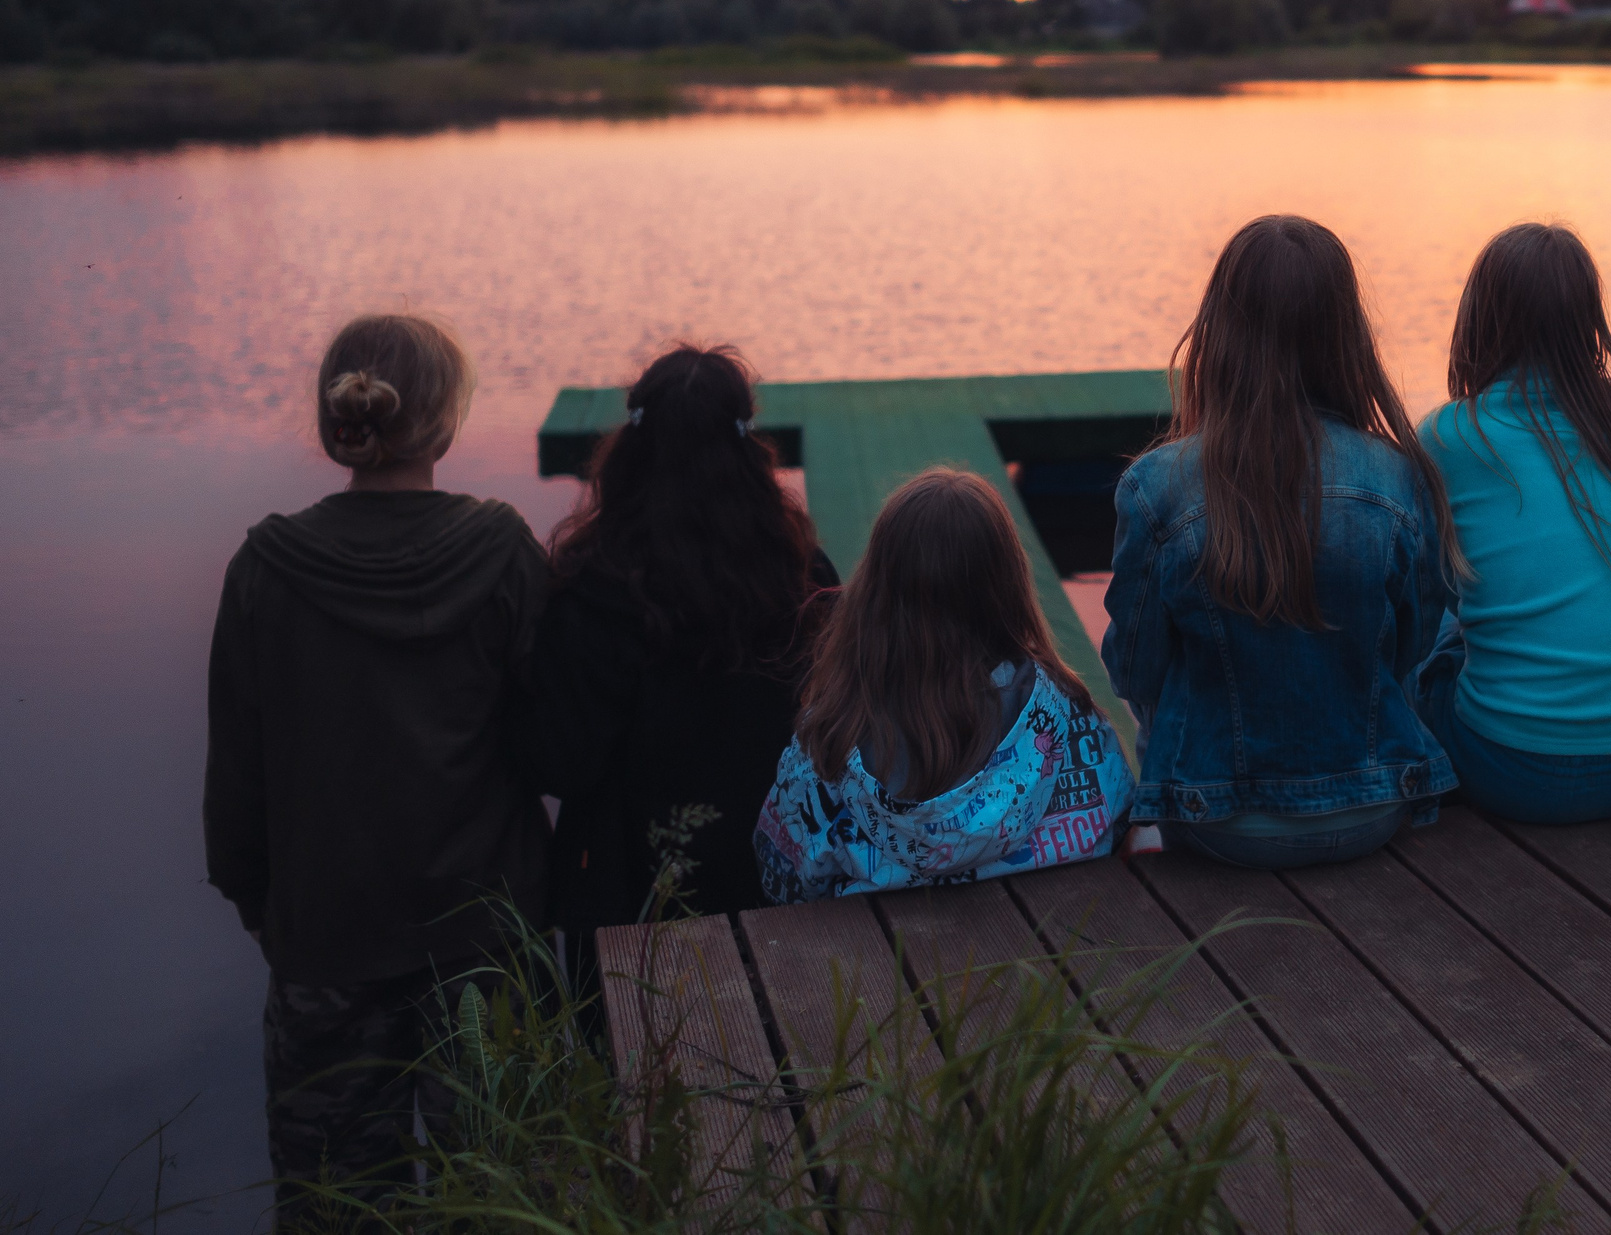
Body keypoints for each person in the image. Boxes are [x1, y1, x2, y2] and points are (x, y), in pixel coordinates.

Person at [203, 314, 548, 1223]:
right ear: (441, 422)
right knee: (505, 1198)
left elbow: (236, 781)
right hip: (485, 942)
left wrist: (259, 904)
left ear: (340, 418)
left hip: (325, 945)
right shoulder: (502, 550)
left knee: (339, 1206)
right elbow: (553, 740)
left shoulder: (264, 569)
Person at [1102, 214, 1455, 869]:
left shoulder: (1156, 486)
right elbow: (1411, 650)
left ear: (1219, 333)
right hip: (1372, 812)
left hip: (1219, 825)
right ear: (1346, 337)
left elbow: (1133, 670)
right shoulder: (1400, 476)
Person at [525, 345, 836, 974]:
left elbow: (557, 763)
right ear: (750, 451)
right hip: (779, 890)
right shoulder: (803, 578)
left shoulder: (588, 590)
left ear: (630, 453)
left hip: (627, 908)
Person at [1413, 223, 1611, 824]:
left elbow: (1420, 593)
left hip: (1516, 769)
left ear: (1479, 319)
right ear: (1588, 325)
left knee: (1431, 644)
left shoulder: (1448, 436)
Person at [755, 468, 1134, 898]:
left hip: (884, 957)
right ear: (1008, 587)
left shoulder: (829, 740)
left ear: (876, 592)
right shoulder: (1070, 716)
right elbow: (1119, 821)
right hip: (1052, 947)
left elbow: (782, 875)